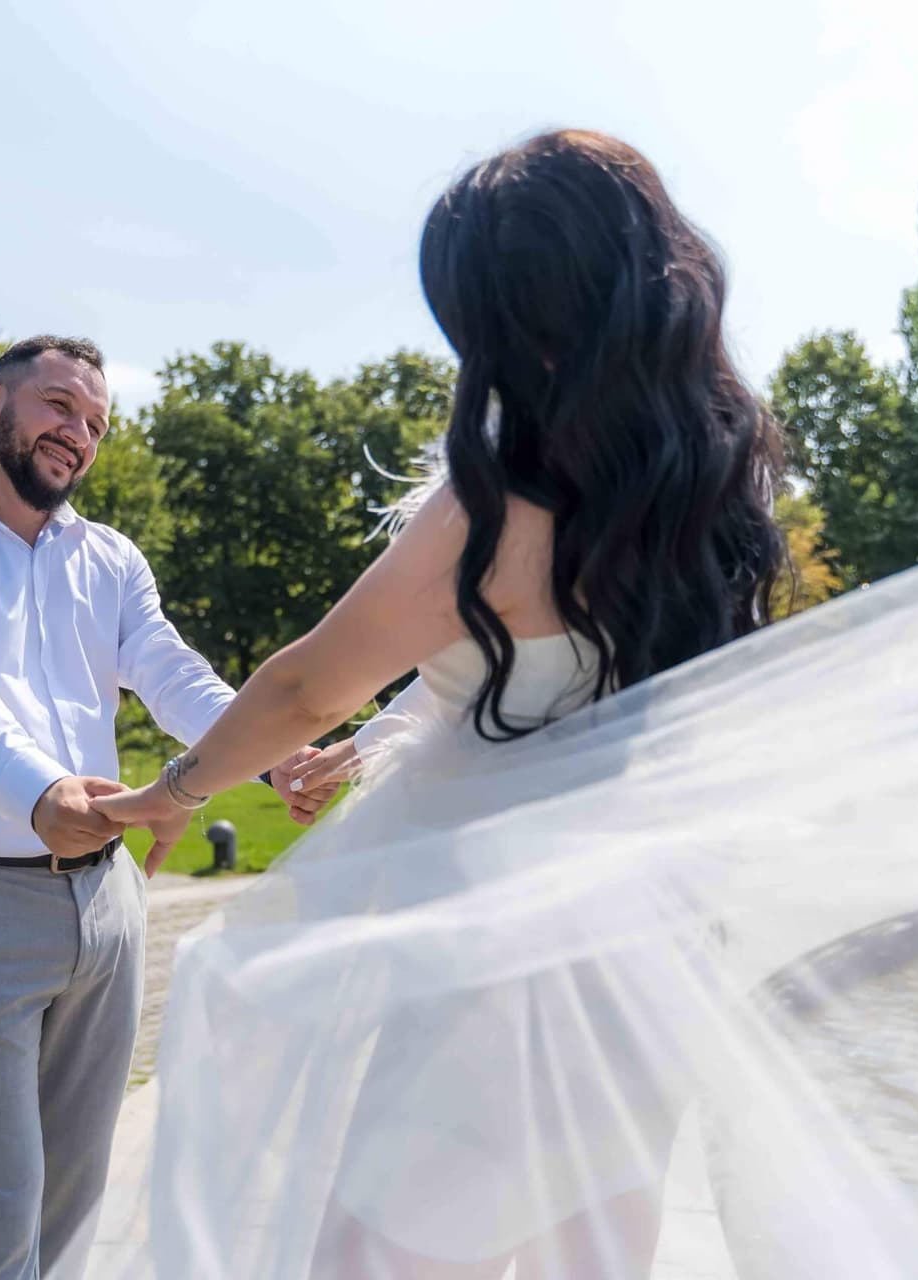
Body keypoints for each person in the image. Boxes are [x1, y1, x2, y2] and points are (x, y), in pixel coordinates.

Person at [92, 129, 786, 1276]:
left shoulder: (494, 506)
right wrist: (382, 742)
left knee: (379, 1252)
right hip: (648, 940)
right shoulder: (710, 485)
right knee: (597, 1243)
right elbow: (562, 691)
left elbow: (308, 680)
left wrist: (174, 790)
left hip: (496, 960)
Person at [0, 334, 338, 1280]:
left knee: (74, 1200)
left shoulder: (110, 559)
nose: (79, 434)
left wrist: (274, 757)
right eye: (60, 407)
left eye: (97, 424)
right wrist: (38, 791)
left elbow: (170, 672)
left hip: (109, 905)